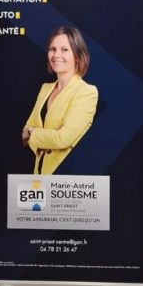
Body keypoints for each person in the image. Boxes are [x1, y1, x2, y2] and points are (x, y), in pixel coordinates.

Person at [22, 26, 98, 175]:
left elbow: (62, 139)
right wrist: (44, 139)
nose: (56, 55)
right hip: (40, 175)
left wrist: (35, 134)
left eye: (64, 50)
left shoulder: (86, 92)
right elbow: (26, 129)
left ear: (77, 55)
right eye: (52, 49)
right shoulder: (45, 88)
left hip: (67, 177)